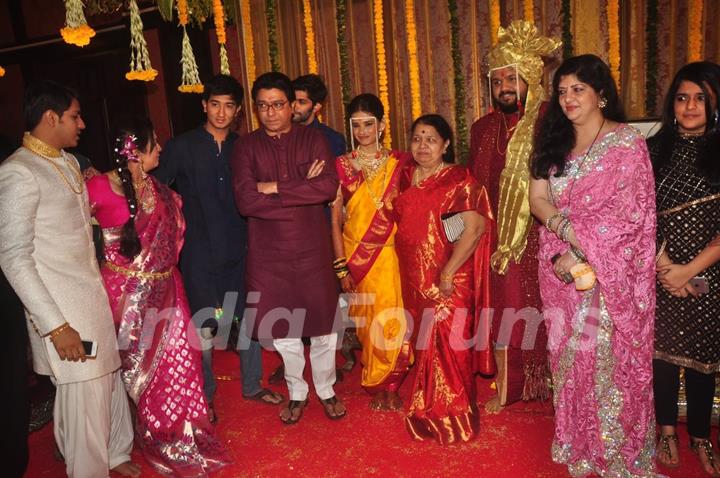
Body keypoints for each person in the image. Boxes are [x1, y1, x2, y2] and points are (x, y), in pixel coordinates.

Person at [0, 80, 139, 478]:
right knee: (84, 396)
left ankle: (114, 454)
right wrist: (55, 326)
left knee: (107, 383)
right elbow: (12, 256)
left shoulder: (65, 161)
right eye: (75, 116)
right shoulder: (18, 173)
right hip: (62, 308)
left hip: (89, 294)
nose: (82, 124)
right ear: (51, 117)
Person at [529, 54, 656, 476]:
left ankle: (614, 451)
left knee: (604, 360)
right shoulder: (553, 144)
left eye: (577, 89)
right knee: (570, 358)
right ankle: (578, 440)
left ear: (601, 94)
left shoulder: (626, 144)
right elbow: (538, 200)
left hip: (609, 273)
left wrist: (581, 252)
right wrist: (565, 233)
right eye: (562, 91)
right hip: (558, 269)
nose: (568, 98)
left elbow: (630, 215)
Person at [87, 117, 230, 476]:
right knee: (129, 371)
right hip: (123, 296)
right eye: (155, 144)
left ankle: (176, 430)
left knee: (179, 364)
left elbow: (176, 235)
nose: (162, 149)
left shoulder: (161, 190)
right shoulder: (97, 188)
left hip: (168, 289)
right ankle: (126, 436)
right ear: (137, 151)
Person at [154, 74, 282, 421]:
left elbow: (261, 188)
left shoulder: (245, 147)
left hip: (242, 248)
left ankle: (253, 384)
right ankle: (205, 394)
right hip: (197, 251)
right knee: (205, 327)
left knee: (248, 318)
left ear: (238, 110)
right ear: (204, 106)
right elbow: (157, 188)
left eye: (229, 106)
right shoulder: (181, 146)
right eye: (215, 105)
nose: (221, 113)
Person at [231, 72, 346, 424]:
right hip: (269, 256)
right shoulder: (246, 147)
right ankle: (298, 391)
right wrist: (299, 187)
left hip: (313, 251)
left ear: (291, 105)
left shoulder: (313, 140)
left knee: (325, 326)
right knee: (284, 329)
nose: (271, 113)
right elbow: (246, 202)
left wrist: (274, 187)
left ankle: (326, 389)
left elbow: (327, 187)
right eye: (263, 106)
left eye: (278, 104)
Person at [468, 20, 560, 412]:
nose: (505, 87)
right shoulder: (482, 128)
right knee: (502, 312)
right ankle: (507, 384)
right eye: (498, 80)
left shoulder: (550, 123)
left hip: (542, 236)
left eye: (514, 78)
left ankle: (550, 382)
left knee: (548, 314)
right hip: (494, 240)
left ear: (531, 80)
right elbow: (472, 188)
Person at [394, 114, 494, 444]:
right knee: (424, 344)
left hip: (450, 277)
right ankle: (425, 403)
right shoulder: (405, 177)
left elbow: (475, 229)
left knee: (451, 348)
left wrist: (448, 272)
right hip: (414, 277)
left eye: (431, 139)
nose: (423, 146)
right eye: (417, 138)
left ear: (446, 145)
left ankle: (455, 413)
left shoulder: (458, 180)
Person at [649, 61, 720, 476]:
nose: (690, 106)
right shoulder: (653, 149)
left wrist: (689, 270)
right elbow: (641, 214)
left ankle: (699, 436)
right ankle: (665, 431)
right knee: (662, 358)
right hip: (659, 270)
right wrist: (666, 269)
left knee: (702, 359)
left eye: (700, 98)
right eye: (682, 98)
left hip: (709, 273)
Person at [330, 93, 410, 410]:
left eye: (369, 124)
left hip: (391, 256)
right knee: (367, 324)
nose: (363, 131)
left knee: (393, 321)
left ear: (382, 126)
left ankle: (391, 383)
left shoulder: (400, 164)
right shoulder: (342, 166)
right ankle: (376, 381)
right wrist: (341, 268)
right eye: (357, 125)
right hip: (357, 258)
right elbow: (335, 219)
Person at [292, 74, 347, 158]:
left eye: (301, 102)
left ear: (316, 106)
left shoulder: (332, 139)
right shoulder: (279, 133)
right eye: (292, 100)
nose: (294, 106)